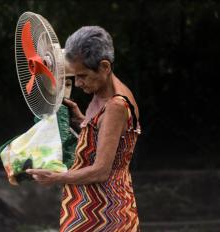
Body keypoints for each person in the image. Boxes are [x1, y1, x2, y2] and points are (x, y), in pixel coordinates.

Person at [26, 26, 141, 231]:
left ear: (104, 67)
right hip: (86, 204)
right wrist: (81, 120)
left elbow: (101, 171)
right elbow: (107, 137)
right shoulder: (101, 92)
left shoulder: (116, 105)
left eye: (82, 76)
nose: (77, 83)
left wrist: (56, 177)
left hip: (105, 212)